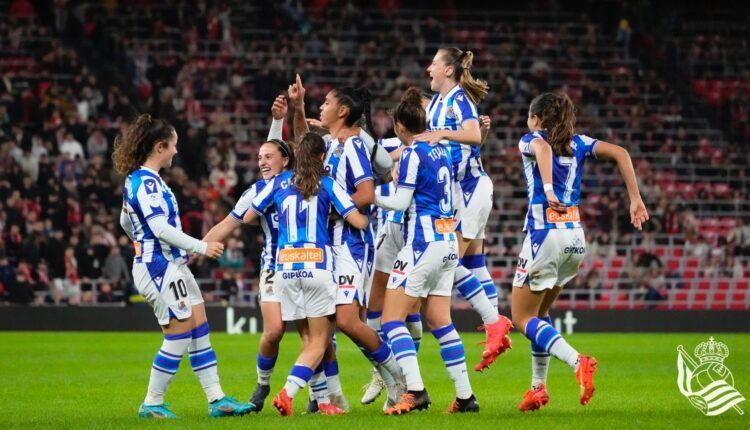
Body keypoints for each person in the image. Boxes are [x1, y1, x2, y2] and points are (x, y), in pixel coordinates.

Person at [512, 93, 649, 411]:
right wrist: (635, 198)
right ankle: (537, 388)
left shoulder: (531, 139)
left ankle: (577, 362)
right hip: (574, 238)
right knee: (541, 315)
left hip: (544, 235)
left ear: (536, 119)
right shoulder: (581, 142)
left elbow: (542, 147)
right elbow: (621, 152)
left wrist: (547, 189)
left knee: (521, 317)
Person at [114, 114, 252, 419]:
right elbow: (159, 228)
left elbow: (126, 221)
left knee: (199, 327)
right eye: (173, 146)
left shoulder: (144, 180)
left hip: (169, 263)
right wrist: (200, 246)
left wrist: (145, 243)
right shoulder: (147, 184)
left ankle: (217, 400)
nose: (176, 151)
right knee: (178, 332)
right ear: (160, 146)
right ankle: (151, 402)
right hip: (158, 267)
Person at [289, 75, 405, 410]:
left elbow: (367, 194)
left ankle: (399, 379)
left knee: (346, 320)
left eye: (325, 103)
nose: (320, 107)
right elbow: (303, 147)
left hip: (351, 243)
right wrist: (297, 107)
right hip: (331, 244)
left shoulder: (354, 144)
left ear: (342, 110)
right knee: (328, 320)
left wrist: (334, 208)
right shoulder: (333, 145)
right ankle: (331, 395)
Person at [242, 132, 371, 416]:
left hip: (285, 269)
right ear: (323, 157)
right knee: (320, 341)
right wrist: (370, 215)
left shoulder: (279, 182)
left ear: (296, 156)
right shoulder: (327, 183)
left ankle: (324, 402)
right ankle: (287, 393)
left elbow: (249, 216)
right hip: (317, 266)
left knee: (307, 339)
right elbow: (357, 220)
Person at [203, 96, 312, 412]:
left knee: (314, 334)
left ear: (285, 160)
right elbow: (228, 223)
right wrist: (194, 249)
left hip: (307, 263)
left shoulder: (297, 181)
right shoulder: (254, 192)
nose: (262, 161)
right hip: (273, 265)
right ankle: (263, 385)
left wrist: (280, 121)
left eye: (269, 157)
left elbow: (293, 147)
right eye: (259, 157)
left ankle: (320, 397)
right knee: (275, 330)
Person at [378, 87, 479, 414]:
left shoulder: (410, 153)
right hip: (448, 241)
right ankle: (465, 397)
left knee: (391, 320)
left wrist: (368, 197)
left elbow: (400, 202)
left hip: (422, 243)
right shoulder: (440, 150)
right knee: (440, 320)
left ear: (399, 127)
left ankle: (416, 391)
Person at [416, 47, 511, 371]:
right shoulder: (440, 103)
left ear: (447, 70)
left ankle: (494, 322)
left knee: (448, 259)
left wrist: (446, 133)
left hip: (470, 190)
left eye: (434, 63)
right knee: (474, 262)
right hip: (460, 193)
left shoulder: (458, 99)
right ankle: (495, 330)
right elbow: (473, 141)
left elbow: (467, 135)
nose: (428, 68)